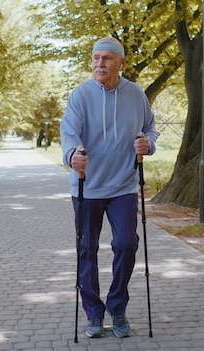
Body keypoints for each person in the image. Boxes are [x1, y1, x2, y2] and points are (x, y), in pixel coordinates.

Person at [60, 37, 160, 339]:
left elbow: (151, 127)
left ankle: (117, 307)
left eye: (106, 58)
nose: (99, 64)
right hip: (87, 187)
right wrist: (72, 156)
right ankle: (93, 311)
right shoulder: (80, 95)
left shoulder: (136, 94)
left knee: (127, 244)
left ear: (121, 63)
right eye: (95, 58)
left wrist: (148, 143)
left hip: (124, 186)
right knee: (86, 249)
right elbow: (68, 133)